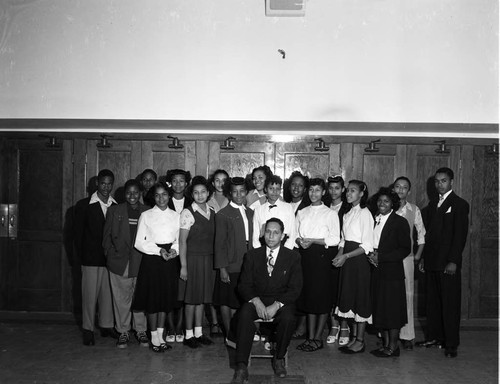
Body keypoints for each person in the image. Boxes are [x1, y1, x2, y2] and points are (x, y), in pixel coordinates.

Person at [231, 218, 303, 383]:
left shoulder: (293, 257)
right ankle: (241, 366)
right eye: (268, 232)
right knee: (243, 314)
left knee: (288, 317)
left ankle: (278, 358)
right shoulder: (252, 255)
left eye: (275, 232)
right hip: (257, 299)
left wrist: (276, 305)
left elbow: (295, 288)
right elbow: (243, 285)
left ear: (282, 236)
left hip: (281, 301)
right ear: (263, 234)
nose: (271, 236)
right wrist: (256, 302)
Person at [416, 167, 469, 358]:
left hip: (448, 263)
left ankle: (451, 343)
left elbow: (459, 236)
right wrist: (422, 257)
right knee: (432, 303)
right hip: (431, 262)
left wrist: (453, 261)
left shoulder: (460, 204)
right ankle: (435, 337)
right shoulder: (431, 206)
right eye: (437, 181)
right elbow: (427, 236)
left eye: (443, 181)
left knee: (450, 303)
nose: (440, 184)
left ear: (451, 182)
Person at [132, 182, 180, 352]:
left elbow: (178, 239)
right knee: (153, 300)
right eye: (158, 195)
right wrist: (159, 250)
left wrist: (174, 250)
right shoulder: (146, 215)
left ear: (169, 195)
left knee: (165, 299)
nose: (161, 198)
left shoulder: (176, 215)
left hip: (169, 261)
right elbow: (139, 242)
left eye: (164, 194)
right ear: (153, 196)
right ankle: (153, 337)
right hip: (152, 260)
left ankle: (161, 336)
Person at [102, 179, 150, 348]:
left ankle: (141, 330)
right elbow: (106, 237)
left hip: (141, 261)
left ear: (141, 193)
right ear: (124, 194)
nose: (132, 196)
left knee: (139, 298)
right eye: (128, 192)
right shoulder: (114, 211)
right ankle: (123, 331)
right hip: (119, 261)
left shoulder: (148, 211)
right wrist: (110, 254)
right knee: (121, 298)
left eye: (135, 192)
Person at [295, 178, 340, 352]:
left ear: (323, 193)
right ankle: (310, 337)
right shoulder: (302, 212)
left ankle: (317, 338)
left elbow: (335, 238)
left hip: (322, 257)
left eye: (317, 190)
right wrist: (300, 240)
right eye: (311, 190)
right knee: (309, 298)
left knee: (321, 298)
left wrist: (313, 240)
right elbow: (295, 234)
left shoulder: (330, 214)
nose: (314, 193)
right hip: (305, 256)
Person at [74, 169, 117, 346]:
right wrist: (78, 258)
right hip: (90, 258)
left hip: (110, 259)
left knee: (108, 295)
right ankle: (88, 329)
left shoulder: (116, 205)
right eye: (103, 183)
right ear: (96, 183)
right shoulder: (84, 205)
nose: (106, 187)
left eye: (109, 184)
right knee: (90, 295)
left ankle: (106, 326)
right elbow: (77, 235)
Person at [367, 188, 411, 358]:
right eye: (380, 201)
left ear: (393, 203)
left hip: (392, 272)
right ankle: (385, 344)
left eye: (386, 201)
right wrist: (371, 256)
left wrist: (382, 257)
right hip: (376, 270)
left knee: (392, 310)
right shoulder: (374, 219)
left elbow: (405, 249)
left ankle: (393, 346)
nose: (382, 204)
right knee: (381, 309)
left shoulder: (399, 222)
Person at [332, 180, 374, 354]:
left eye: (353, 191)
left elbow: (367, 245)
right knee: (349, 296)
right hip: (347, 261)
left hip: (359, 261)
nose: (349, 194)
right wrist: (339, 255)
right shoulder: (347, 213)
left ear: (362, 194)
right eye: (348, 191)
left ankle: (360, 341)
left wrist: (346, 256)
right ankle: (354, 338)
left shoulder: (365, 214)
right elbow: (344, 240)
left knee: (360, 298)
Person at [214, 177, 254, 345]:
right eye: (235, 191)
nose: (239, 195)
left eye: (242, 191)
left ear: (246, 192)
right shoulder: (223, 214)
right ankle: (229, 335)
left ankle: (239, 332)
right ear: (230, 193)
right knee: (227, 300)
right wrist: (222, 268)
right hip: (230, 263)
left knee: (241, 301)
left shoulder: (250, 212)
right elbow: (219, 243)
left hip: (246, 263)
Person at [178, 176, 216, 348]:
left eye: (203, 192)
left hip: (208, 260)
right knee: (191, 299)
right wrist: (184, 266)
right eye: (196, 192)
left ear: (208, 193)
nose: (200, 195)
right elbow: (182, 241)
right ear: (191, 194)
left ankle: (199, 333)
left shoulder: (212, 211)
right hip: (192, 260)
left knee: (201, 299)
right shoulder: (187, 212)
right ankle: (188, 335)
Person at [393, 176, 426, 350]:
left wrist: (416, 257)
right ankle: (388, 332)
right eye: (397, 187)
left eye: (404, 187)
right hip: (388, 259)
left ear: (409, 191)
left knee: (407, 295)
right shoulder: (385, 207)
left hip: (407, 259)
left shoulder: (414, 210)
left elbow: (421, 236)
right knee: (389, 295)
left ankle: (407, 335)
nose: (400, 190)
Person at [165, 169, 192, 343]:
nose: (178, 184)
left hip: (188, 252)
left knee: (184, 292)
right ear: (169, 183)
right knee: (169, 291)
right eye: (174, 181)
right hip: (169, 252)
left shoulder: (192, 201)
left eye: (181, 181)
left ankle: (181, 325)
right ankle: (169, 327)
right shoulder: (163, 200)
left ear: (186, 183)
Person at [325, 175, 350, 344]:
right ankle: (333, 326)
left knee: (342, 291)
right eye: (331, 188)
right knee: (329, 292)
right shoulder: (324, 207)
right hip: (326, 254)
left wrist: (342, 253)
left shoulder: (348, 209)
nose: (333, 191)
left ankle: (344, 326)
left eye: (337, 188)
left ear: (342, 189)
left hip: (343, 253)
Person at [252, 175, 296, 250]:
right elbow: (255, 237)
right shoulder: (258, 210)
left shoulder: (288, 208)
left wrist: (285, 251)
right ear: (266, 189)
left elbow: (292, 234)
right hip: (264, 246)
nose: (274, 192)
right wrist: (260, 253)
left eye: (277, 189)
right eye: (271, 188)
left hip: (284, 246)